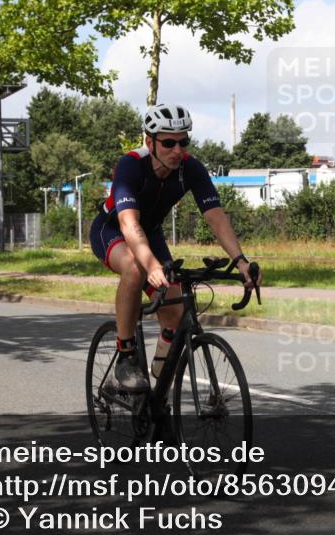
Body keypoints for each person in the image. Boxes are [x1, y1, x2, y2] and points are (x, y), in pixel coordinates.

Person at [89, 103, 261, 394]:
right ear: (150, 142)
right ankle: (126, 355)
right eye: (168, 143)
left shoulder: (190, 168)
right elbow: (129, 224)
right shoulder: (131, 165)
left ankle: (159, 386)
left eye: (183, 142)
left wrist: (241, 261)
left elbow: (216, 217)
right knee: (134, 266)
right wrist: (151, 265)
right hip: (113, 230)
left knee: (177, 311)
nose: (177, 150)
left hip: (151, 234)